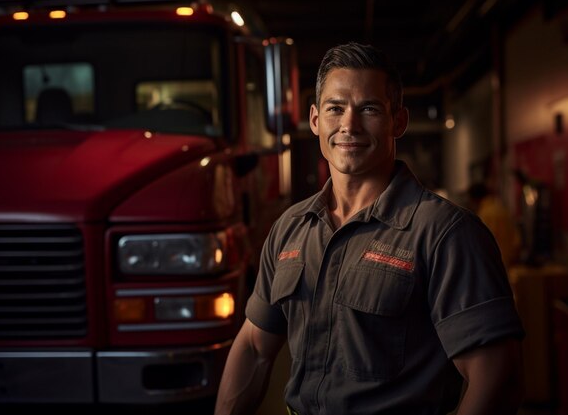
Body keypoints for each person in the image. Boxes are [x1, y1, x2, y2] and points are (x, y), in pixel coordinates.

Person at [215, 42, 525, 415]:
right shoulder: (290, 230)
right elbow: (253, 347)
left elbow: (495, 376)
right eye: (335, 108)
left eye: (369, 109)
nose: (349, 124)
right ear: (315, 120)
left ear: (398, 121)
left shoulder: (445, 233)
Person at [468, 182, 521, 268]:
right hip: (508, 266)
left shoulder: (484, 215)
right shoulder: (502, 209)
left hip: (493, 266)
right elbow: (516, 241)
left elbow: (482, 246)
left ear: (474, 199)